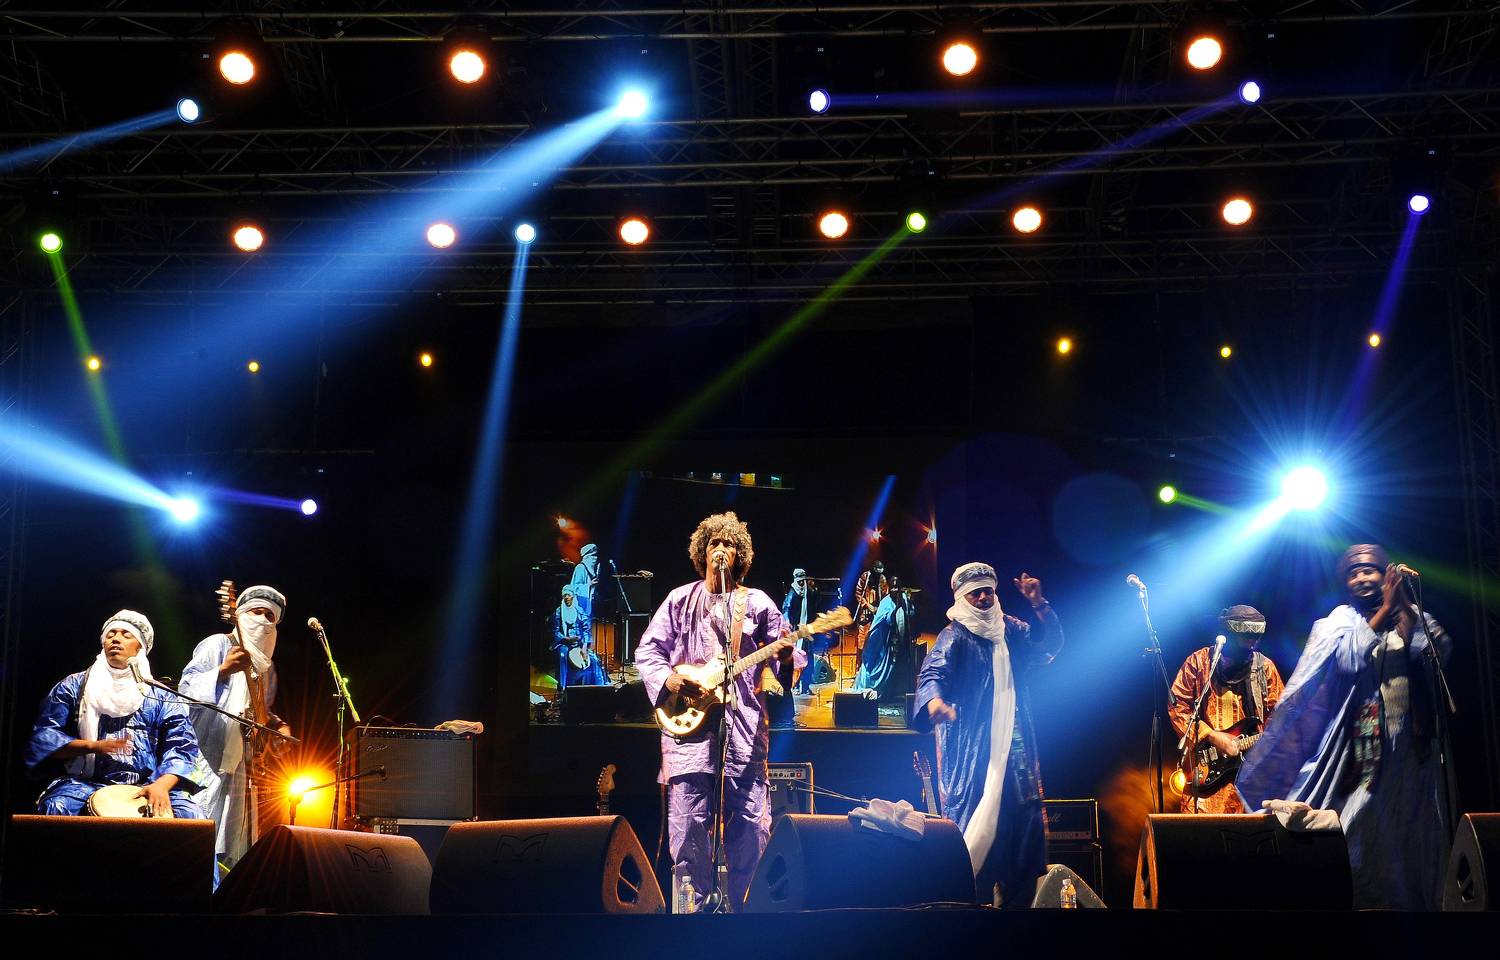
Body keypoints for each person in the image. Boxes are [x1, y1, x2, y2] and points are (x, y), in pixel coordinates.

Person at [1237, 544, 1452, 910]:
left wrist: (1403, 607)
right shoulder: (1339, 621)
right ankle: (1353, 902)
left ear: (1386, 575)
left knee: (1411, 823)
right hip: (1361, 740)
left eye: (1369, 570)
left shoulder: (1411, 615)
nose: (1362, 578)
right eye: (1354, 573)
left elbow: (1437, 651)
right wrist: (1385, 609)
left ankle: (1406, 909)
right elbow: (1350, 659)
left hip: (1410, 741)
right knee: (1357, 821)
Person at [634, 511, 800, 911]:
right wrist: (670, 679)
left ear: (739, 555)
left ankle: (747, 919)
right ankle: (691, 918)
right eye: (714, 543)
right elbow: (648, 650)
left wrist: (788, 655)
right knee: (688, 830)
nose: (721, 550)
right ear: (702, 552)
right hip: (688, 738)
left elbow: (788, 658)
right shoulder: (679, 600)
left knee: (750, 832)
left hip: (743, 736)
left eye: (729, 544)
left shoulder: (756, 603)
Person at [912, 563, 1063, 909]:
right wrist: (934, 701)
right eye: (975, 593)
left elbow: (1049, 647)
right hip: (974, 757)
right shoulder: (955, 636)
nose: (983, 598)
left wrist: (1040, 605)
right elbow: (933, 672)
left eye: (988, 591)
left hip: (1016, 755)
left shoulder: (1012, 630)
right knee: (974, 846)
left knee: (1020, 844)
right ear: (962, 597)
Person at [26, 609, 206, 819]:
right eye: (110, 634)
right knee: (57, 807)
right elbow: (44, 738)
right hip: (84, 783)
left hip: (149, 784)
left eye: (126, 634)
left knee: (191, 815)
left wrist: (162, 785)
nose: (116, 639)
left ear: (140, 646)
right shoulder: (73, 686)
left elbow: (182, 748)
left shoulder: (161, 696)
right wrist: (92, 746)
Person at [180, 585, 293, 882]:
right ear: (239, 614)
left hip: (244, 767)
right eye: (257, 612)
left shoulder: (266, 668)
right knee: (200, 829)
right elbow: (185, 689)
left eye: (270, 616)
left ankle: (226, 896)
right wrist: (223, 670)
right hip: (206, 757)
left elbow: (259, 710)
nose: (263, 620)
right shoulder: (217, 644)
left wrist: (277, 726)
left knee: (236, 842)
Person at [1167, 604, 1285, 813]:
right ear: (1228, 634)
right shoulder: (1199, 662)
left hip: (1250, 778)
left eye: (1255, 637)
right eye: (1246, 637)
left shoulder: (1265, 668)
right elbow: (1178, 706)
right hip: (1205, 773)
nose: (1252, 643)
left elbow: (1278, 718)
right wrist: (1212, 736)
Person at [855, 576, 915, 700]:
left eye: (897, 587)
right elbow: (880, 622)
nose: (894, 590)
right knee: (886, 668)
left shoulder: (904, 599)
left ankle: (897, 692)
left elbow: (911, 614)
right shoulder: (885, 603)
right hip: (887, 643)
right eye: (892, 587)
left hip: (902, 641)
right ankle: (884, 691)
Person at [553, 585, 607, 687]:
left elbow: (586, 631)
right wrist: (566, 638)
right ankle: (562, 686)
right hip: (564, 644)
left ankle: (600, 686)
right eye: (565, 595)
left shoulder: (580, 611)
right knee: (562, 655)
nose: (567, 597)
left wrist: (584, 648)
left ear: (573, 596)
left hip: (579, 644)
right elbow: (555, 631)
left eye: (569, 595)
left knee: (594, 659)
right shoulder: (559, 612)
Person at [852, 560, 890, 647]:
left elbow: (885, 596)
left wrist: (879, 609)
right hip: (865, 609)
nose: (877, 575)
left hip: (877, 610)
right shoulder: (865, 576)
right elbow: (858, 592)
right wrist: (865, 603)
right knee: (862, 634)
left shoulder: (882, 579)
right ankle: (860, 655)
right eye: (876, 573)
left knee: (876, 635)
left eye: (879, 574)